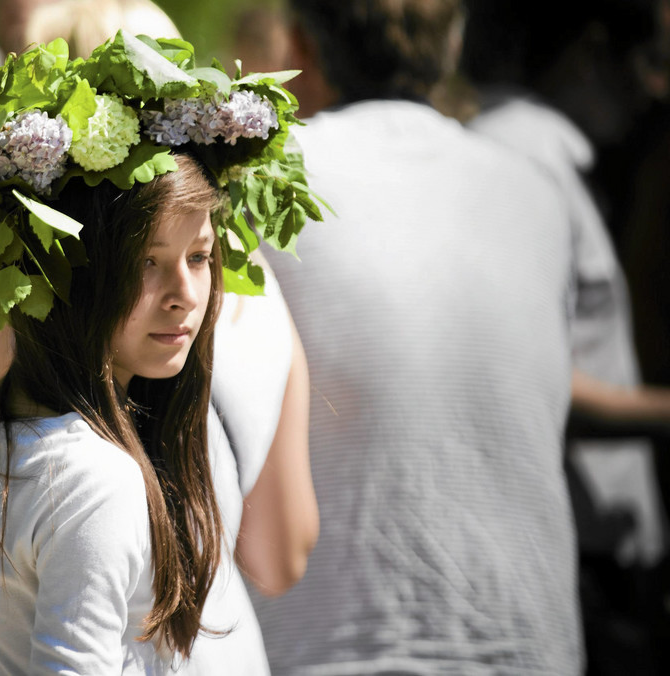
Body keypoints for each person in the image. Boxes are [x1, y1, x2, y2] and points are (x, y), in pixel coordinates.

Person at [0, 31, 321, 674]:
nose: (186, 295)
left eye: (199, 258)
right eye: (147, 263)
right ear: (70, 275)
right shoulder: (95, 479)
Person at [247, 1, 584, 672]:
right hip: (532, 642)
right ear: (454, 43)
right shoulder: (538, 193)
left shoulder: (261, 179)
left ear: (299, 47)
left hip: (330, 649)